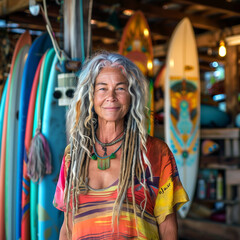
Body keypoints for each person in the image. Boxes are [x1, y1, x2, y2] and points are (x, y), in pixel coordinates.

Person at [53, 52, 189, 240]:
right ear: (90, 95)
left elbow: (167, 228)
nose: (111, 96)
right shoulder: (74, 155)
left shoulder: (156, 154)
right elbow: (68, 227)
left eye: (120, 88)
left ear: (132, 95)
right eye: (102, 88)